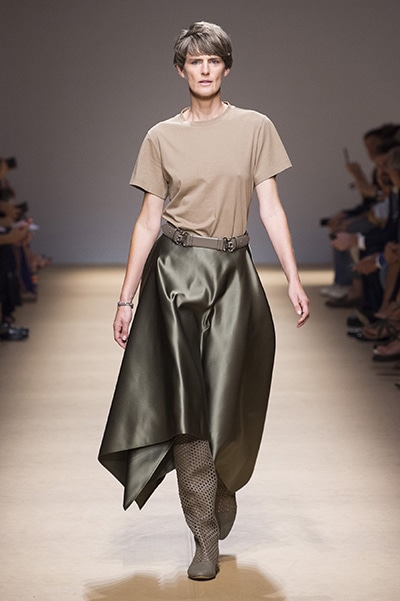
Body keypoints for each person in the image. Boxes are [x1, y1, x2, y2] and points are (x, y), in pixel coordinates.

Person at [98, 22, 309, 581]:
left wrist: (293, 277)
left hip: (234, 273)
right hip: (174, 275)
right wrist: (125, 298)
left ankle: (222, 485)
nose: (205, 69)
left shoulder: (256, 127)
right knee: (187, 410)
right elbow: (148, 220)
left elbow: (270, 208)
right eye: (195, 61)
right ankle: (203, 534)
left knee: (228, 400)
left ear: (226, 67)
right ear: (181, 70)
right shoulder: (160, 136)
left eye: (214, 60)